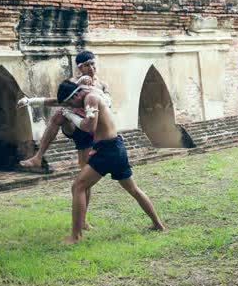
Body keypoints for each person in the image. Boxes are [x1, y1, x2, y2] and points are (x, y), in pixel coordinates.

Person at [57, 80, 165, 244]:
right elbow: (56, 101)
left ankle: (75, 236)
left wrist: (70, 115)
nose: (73, 106)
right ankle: (158, 224)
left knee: (78, 187)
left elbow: (89, 127)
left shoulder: (90, 99)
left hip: (107, 150)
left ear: (76, 95)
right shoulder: (90, 95)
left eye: (71, 103)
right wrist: (32, 101)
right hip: (115, 147)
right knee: (134, 189)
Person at [16, 51, 110, 229]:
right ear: (79, 67)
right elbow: (57, 101)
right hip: (74, 127)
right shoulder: (72, 83)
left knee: (84, 179)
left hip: (91, 131)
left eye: (93, 64)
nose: (91, 68)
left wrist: (92, 89)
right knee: (59, 113)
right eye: (87, 65)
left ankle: (83, 220)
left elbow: (107, 104)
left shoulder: (102, 85)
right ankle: (38, 156)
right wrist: (30, 101)